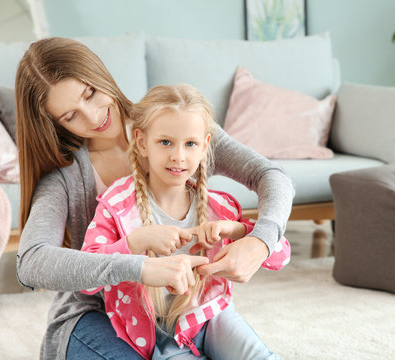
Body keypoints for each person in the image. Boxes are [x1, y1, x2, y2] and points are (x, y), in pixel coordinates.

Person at [15, 37, 294, 360]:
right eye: (70, 116)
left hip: (179, 310)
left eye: (90, 93)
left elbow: (271, 176)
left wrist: (260, 240)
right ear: (54, 123)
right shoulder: (66, 176)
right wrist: (140, 267)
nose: (92, 118)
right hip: (94, 315)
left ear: (99, 73)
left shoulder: (178, 129)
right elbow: (32, 262)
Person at [80, 84, 290, 359]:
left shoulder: (220, 207)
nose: (178, 156)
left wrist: (240, 231)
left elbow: (280, 256)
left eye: (190, 144)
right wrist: (137, 241)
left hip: (212, 316)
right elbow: (86, 276)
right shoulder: (117, 205)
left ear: (205, 145)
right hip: (157, 334)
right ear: (142, 142)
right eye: (165, 142)